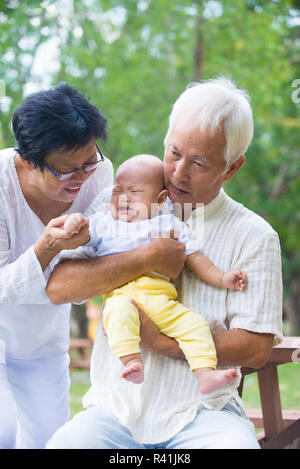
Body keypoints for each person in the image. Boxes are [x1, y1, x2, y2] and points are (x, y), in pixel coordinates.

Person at [46, 77, 283, 449]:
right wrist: (144, 258)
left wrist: (160, 342)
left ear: (232, 167)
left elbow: (256, 347)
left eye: (199, 163)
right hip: (114, 412)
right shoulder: (120, 201)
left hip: (204, 414)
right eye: (173, 153)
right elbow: (59, 288)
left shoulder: (255, 235)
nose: (178, 173)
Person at [0, 83, 185, 449]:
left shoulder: (101, 175)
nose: (83, 176)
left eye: (90, 160)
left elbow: (99, 261)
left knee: (48, 441)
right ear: (26, 161)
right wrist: (46, 247)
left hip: (42, 341)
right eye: (67, 171)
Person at [62, 154, 245, 392]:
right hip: (122, 298)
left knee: (196, 325)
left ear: (160, 200)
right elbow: (80, 236)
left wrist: (222, 277)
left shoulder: (169, 225)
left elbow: (195, 258)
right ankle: (131, 361)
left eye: (134, 192)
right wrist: (72, 223)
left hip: (163, 303)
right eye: (118, 191)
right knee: (117, 315)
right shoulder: (104, 223)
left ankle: (204, 373)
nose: (123, 199)